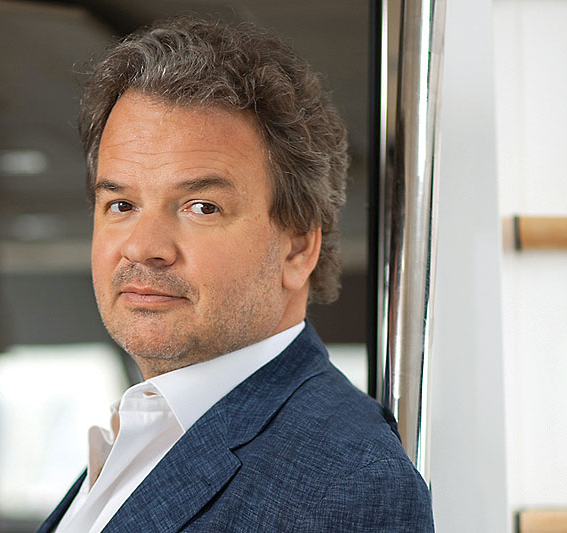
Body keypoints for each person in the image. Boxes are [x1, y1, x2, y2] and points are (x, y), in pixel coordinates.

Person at [39, 16, 434, 532]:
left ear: (298, 248)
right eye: (121, 204)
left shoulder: (347, 482)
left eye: (201, 207)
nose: (143, 247)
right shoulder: (143, 433)